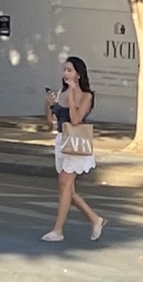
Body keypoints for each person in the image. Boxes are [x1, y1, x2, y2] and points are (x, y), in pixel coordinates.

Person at [42, 55, 105, 241]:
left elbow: (76, 120)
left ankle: (58, 230)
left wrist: (71, 93)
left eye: (70, 70)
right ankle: (95, 219)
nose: (66, 74)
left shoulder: (86, 96)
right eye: (64, 70)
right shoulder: (61, 93)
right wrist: (47, 106)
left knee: (64, 182)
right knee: (67, 188)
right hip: (61, 141)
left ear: (78, 74)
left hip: (76, 142)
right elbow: (49, 123)